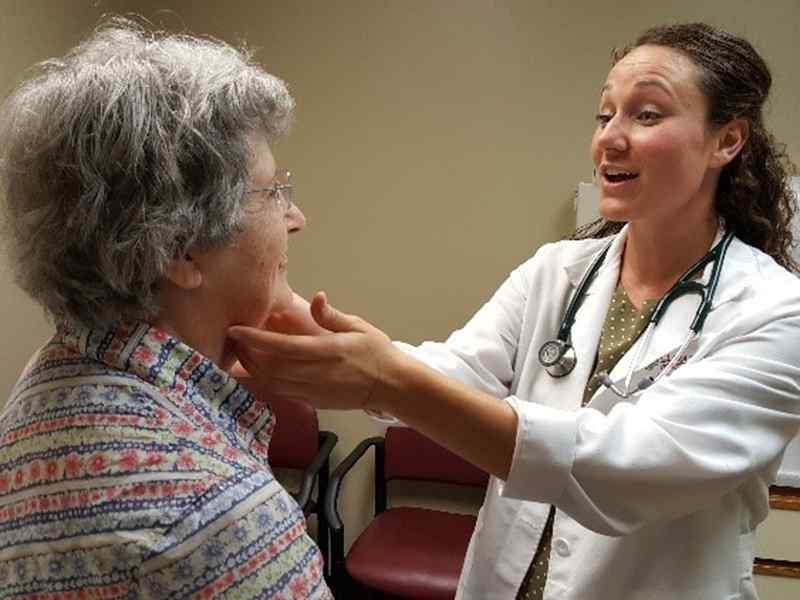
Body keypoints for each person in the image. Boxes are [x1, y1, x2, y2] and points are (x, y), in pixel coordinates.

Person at [229, 23, 800, 600]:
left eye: (647, 115)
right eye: (605, 116)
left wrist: (384, 378)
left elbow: (628, 467)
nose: (611, 138)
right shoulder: (558, 272)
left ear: (727, 141)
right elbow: (457, 372)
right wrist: (286, 318)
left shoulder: (775, 313)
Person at [0, 20, 332, 599]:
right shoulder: (224, 518)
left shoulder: (48, 377)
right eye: (272, 190)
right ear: (179, 248)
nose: (295, 217)